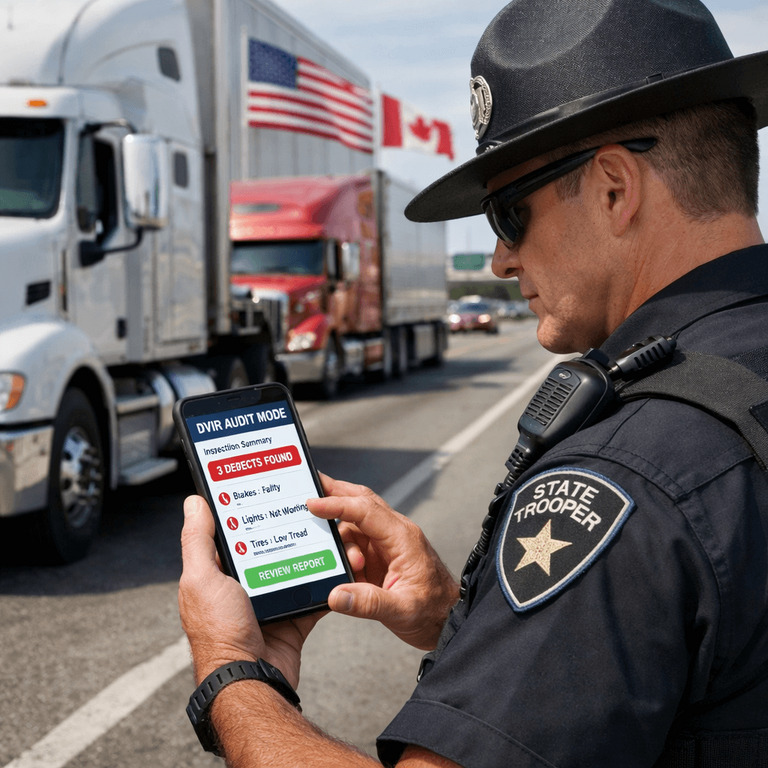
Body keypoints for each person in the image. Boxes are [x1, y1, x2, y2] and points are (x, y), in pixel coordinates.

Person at [178, 0, 768, 765]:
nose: (499, 260)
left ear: (617, 188)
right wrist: (463, 620)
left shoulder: (627, 478)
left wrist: (230, 673)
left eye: (508, 214)